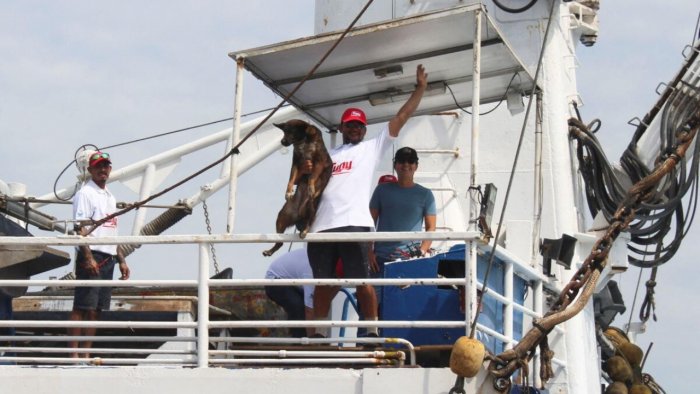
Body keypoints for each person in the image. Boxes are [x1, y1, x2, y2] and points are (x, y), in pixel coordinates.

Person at [307, 64, 428, 338]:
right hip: (322, 228)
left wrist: (419, 89)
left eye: (359, 125)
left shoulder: (372, 148)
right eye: (350, 125)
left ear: (364, 129)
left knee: (363, 281)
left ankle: (371, 331)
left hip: (354, 225)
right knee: (322, 284)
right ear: (342, 127)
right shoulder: (328, 155)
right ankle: (320, 337)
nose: (354, 129)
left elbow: (402, 116)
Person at [68, 151, 130, 359]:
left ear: (109, 169)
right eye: (98, 167)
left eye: (106, 166)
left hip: (108, 255)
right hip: (92, 253)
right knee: (82, 305)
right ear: (90, 170)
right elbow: (80, 229)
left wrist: (121, 259)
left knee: (97, 308)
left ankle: (86, 353)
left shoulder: (110, 196)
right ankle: (74, 354)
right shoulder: (86, 193)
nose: (103, 170)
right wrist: (88, 257)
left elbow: (112, 231)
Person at [369, 146, 437, 277]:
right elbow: (369, 222)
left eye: (411, 161)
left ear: (416, 166)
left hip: (410, 259)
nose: (406, 164)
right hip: (380, 259)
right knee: (376, 298)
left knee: (408, 298)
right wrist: (368, 252)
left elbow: (431, 227)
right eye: (402, 161)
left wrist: (421, 252)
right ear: (395, 165)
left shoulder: (426, 194)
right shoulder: (381, 190)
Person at [264, 248, 315, 338]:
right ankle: (300, 343)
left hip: (293, 281)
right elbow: (309, 309)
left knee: (308, 304)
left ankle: (309, 340)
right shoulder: (310, 271)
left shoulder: (318, 257)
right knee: (298, 306)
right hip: (274, 279)